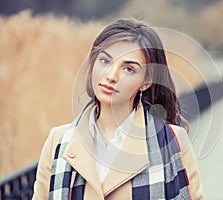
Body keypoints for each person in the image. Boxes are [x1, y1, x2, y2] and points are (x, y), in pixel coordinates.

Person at [33, 18, 203, 200]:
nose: (111, 76)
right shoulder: (58, 141)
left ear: (146, 81)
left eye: (129, 69)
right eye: (105, 61)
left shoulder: (173, 141)